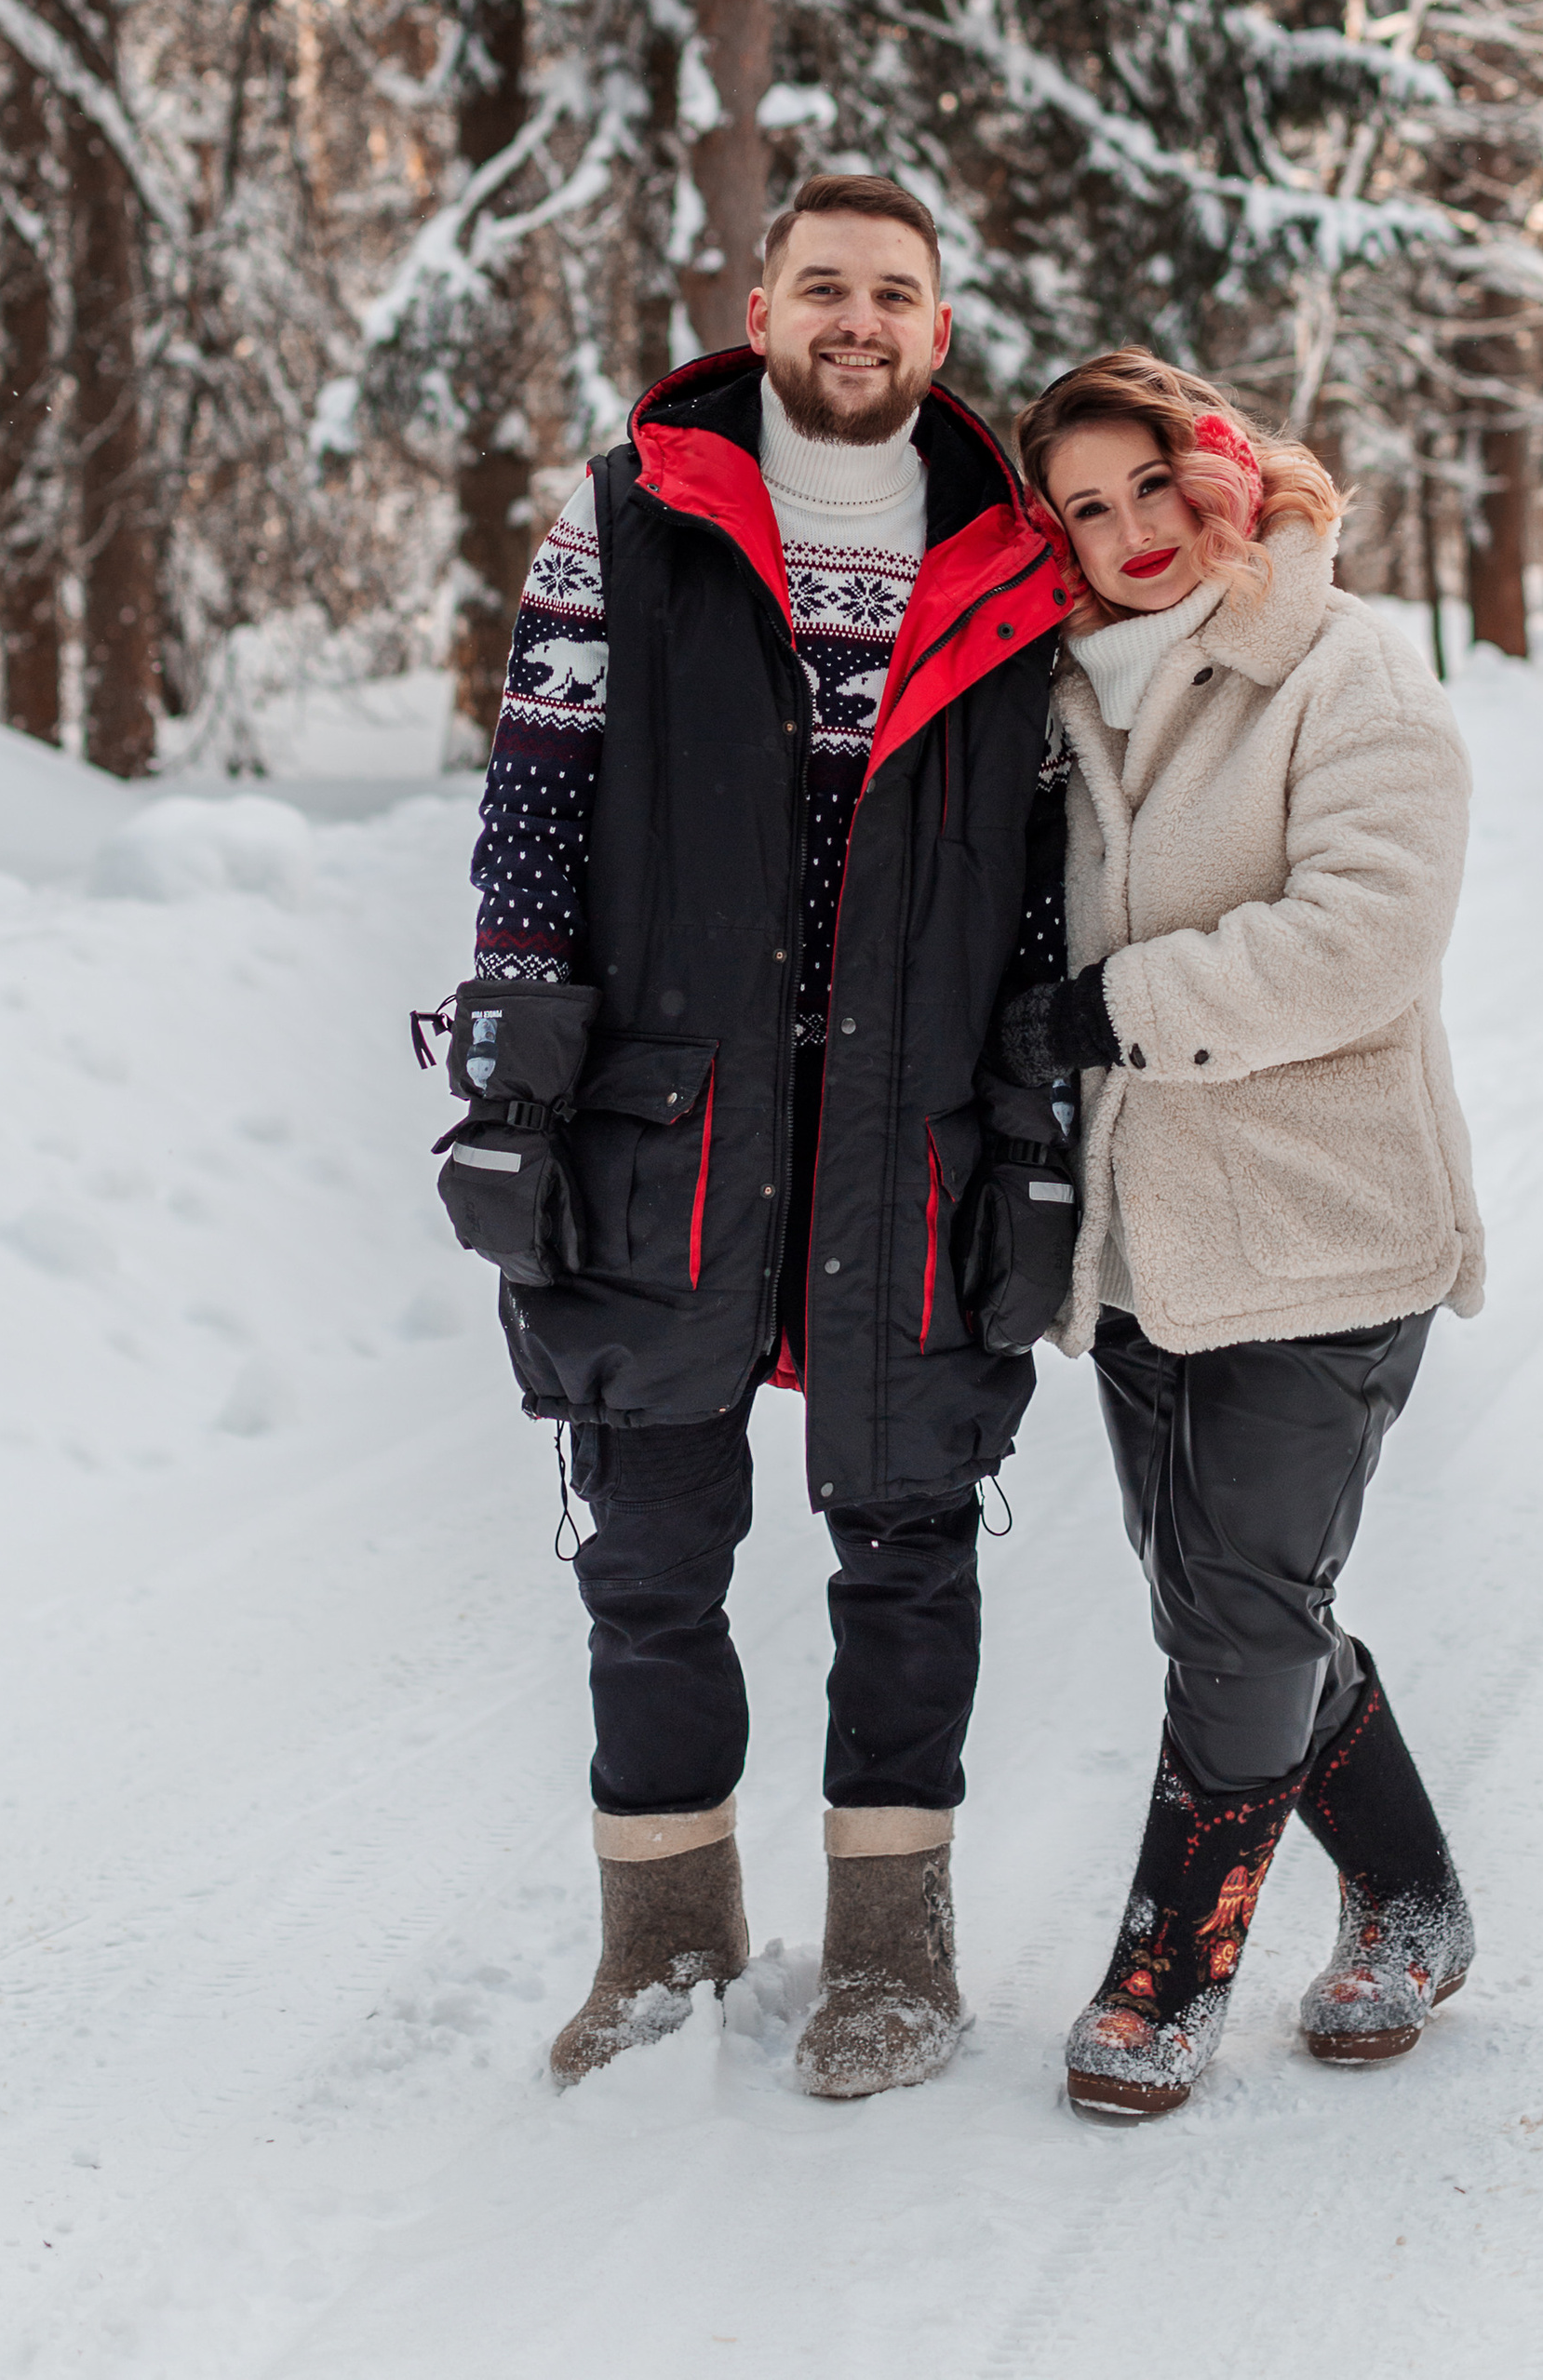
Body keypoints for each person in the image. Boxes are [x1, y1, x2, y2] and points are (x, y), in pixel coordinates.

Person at [438, 175, 1075, 2098]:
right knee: (647, 1537)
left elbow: (1053, 866)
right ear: (760, 306)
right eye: (825, 287)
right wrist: (505, 1069)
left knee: (904, 1532)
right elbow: (536, 796)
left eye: (894, 293)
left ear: (940, 330)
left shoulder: (1008, 547)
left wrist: (1045, 1108)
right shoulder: (632, 514)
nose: (857, 319)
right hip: (668, 1108)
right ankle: (665, 1927)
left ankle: (894, 1945)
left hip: (917, 1121)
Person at [990, 349, 1483, 2121]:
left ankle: (1170, 1965)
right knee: (1227, 1600)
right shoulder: (1063, 699)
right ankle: (1414, 1904)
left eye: (1149, 486)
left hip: (1326, 1222)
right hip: (1146, 1240)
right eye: (1084, 508)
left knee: (1242, 1617)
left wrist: (1117, 1004)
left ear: (1222, 472)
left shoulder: (1344, 668)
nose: (1127, 532)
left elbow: (1369, 931)